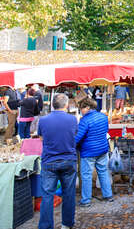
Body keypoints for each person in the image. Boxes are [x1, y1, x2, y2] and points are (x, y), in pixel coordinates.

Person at [38, 93, 78, 229]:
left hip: (49, 160)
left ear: (52, 105)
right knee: (69, 193)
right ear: (66, 105)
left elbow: (41, 139)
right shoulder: (73, 120)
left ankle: (45, 226)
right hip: (68, 159)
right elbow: (74, 136)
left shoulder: (43, 120)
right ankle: (67, 224)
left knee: (47, 195)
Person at [74, 97, 112, 207]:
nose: (81, 111)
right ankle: (108, 195)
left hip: (88, 151)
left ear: (87, 107)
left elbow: (78, 137)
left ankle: (86, 200)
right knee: (103, 172)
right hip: (102, 149)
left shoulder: (85, 120)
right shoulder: (103, 117)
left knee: (86, 175)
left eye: (81, 108)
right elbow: (105, 131)